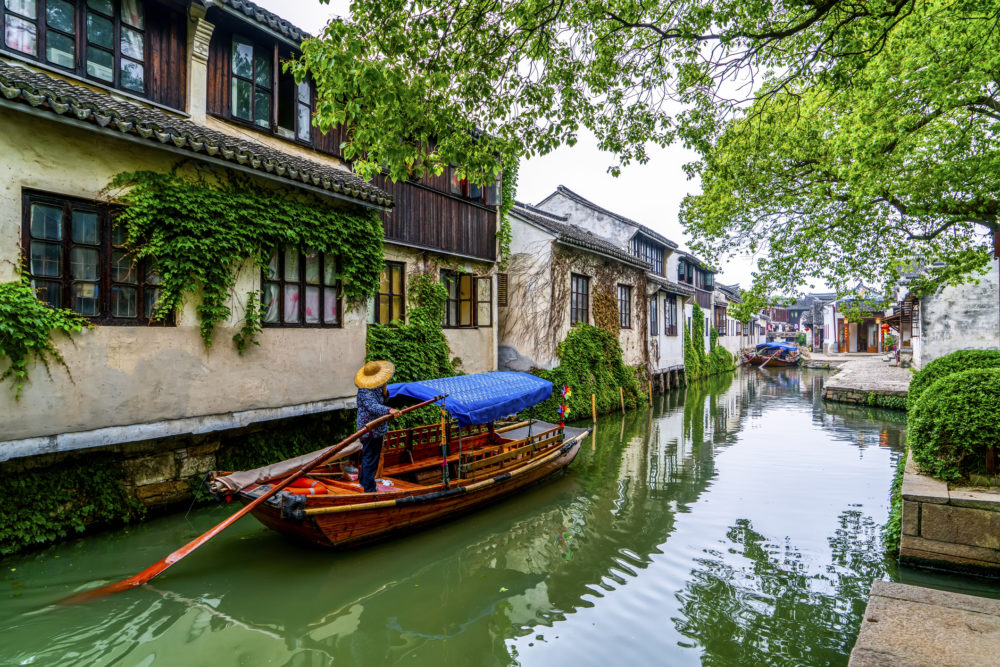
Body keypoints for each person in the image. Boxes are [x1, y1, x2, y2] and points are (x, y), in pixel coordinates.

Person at [354, 360, 400, 493]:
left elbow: (383, 401)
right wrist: (389, 410)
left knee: (372, 457)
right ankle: (368, 487)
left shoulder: (377, 387)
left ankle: (365, 483)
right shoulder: (364, 390)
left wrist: (385, 392)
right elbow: (373, 407)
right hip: (369, 430)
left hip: (378, 429)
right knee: (370, 457)